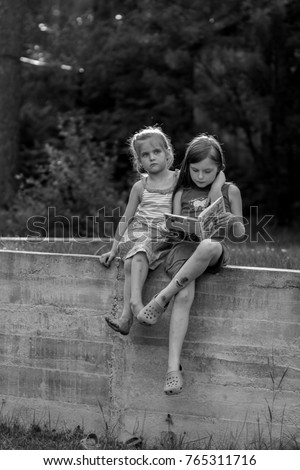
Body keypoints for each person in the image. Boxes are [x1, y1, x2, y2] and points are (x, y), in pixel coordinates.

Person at [137, 133, 245, 395]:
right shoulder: (182, 191)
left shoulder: (230, 190)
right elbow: (172, 225)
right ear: (188, 168)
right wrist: (175, 229)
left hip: (212, 251)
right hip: (182, 250)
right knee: (184, 294)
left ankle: (161, 298)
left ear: (219, 168)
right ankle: (173, 369)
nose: (200, 176)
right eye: (195, 170)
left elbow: (240, 234)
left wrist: (230, 220)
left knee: (208, 245)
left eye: (208, 171)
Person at [100, 127, 225, 335]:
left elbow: (216, 170)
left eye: (156, 152)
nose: (152, 158)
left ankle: (126, 315)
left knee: (133, 260)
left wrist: (216, 186)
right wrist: (113, 249)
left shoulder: (179, 179)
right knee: (135, 254)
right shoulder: (140, 187)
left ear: (168, 153)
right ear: (139, 161)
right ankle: (135, 307)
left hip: (163, 236)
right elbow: (126, 217)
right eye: (145, 155)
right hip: (139, 235)